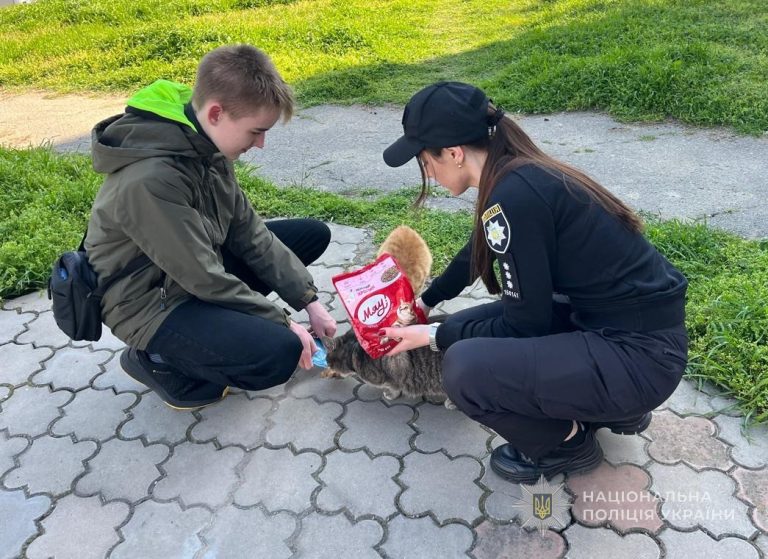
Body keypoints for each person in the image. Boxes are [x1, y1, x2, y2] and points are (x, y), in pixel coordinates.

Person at [380, 82, 688, 483]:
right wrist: (428, 303)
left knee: (464, 368)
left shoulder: (513, 196)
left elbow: (525, 325)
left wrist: (435, 335)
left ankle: (567, 442)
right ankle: (611, 405)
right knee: (473, 328)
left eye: (425, 160)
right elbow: (482, 248)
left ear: (454, 154)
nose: (427, 172)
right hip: (628, 333)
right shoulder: (517, 175)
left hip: (639, 358)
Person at [85, 44, 336, 410]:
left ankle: (221, 327)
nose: (261, 144)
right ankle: (157, 360)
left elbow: (250, 232)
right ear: (217, 113)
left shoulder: (207, 146)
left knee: (310, 235)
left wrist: (308, 301)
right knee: (278, 353)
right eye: (256, 132)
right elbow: (202, 275)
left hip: (187, 274)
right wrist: (284, 323)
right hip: (148, 303)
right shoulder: (151, 179)